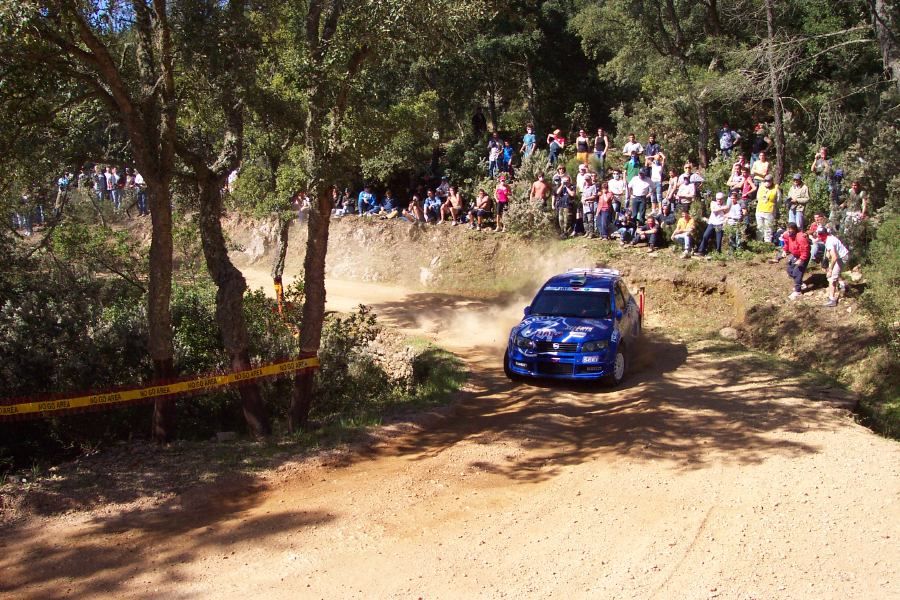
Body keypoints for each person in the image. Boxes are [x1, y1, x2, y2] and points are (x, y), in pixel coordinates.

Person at [819, 227, 850, 307]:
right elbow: (829, 252)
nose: (820, 236)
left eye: (822, 234)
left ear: (825, 233)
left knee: (832, 277)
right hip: (841, 256)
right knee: (835, 273)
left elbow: (834, 257)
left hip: (842, 258)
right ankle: (843, 285)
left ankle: (832, 299)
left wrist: (830, 269)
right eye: (819, 234)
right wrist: (825, 261)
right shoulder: (829, 238)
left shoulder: (829, 241)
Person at [782, 222, 810, 300]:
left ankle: (798, 291)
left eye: (790, 229)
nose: (789, 231)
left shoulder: (801, 237)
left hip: (803, 256)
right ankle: (801, 283)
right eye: (788, 229)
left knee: (797, 272)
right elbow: (786, 243)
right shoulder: (787, 235)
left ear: (795, 230)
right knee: (790, 270)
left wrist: (801, 259)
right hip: (795, 255)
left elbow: (805, 250)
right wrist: (784, 251)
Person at [755, 175, 778, 243]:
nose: (767, 182)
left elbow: (778, 200)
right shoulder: (761, 186)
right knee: (760, 228)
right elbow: (758, 197)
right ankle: (759, 243)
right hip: (760, 210)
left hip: (770, 211)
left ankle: (767, 243)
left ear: (771, 181)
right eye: (765, 181)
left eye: (768, 181)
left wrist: (775, 208)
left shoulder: (776, 188)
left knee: (768, 228)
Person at [554, 174, 575, 238]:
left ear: (569, 181)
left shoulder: (572, 186)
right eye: (565, 181)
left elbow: (572, 194)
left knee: (567, 220)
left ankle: (566, 233)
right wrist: (562, 185)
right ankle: (562, 232)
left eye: (567, 181)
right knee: (561, 220)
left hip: (568, 205)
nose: (566, 182)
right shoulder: (561, 186)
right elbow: (557, 192)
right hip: (561, 205)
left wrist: (567, 187)